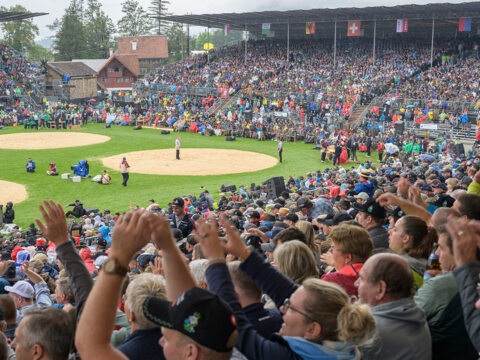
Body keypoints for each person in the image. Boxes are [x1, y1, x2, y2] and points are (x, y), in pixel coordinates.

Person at [414, 225, 478, 359]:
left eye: (441, 248)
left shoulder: (438, 286)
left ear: (459, 252)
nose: (436, 253)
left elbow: (405, 320)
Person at [356, 253, 432, 359]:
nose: (356, 283)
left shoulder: (370, 332)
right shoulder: (415, 314)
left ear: (380, 289)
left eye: (362, 279)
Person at [320, 224, 373, 296]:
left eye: (333, 248)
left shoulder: (331, 281)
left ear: (348, 257)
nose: (330, 251)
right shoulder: (376, 275)